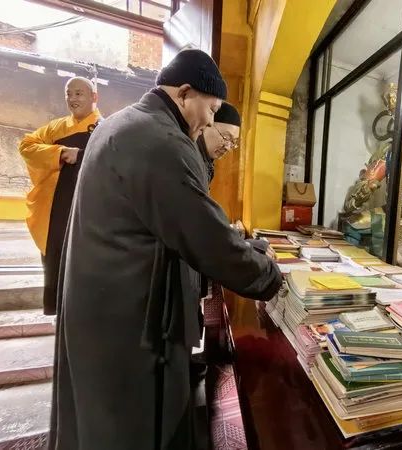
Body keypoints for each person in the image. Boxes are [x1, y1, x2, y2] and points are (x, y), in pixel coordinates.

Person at [49, 49, 282, 450]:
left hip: (103, 299)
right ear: (186, 92)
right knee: (129, 426)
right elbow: (207, 239)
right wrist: (268, 274)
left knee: (98, 417)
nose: (211, 121)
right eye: (211, 110)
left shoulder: (124, 123)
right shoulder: (159, 141)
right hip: (127, 313)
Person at [18, 77, 100, 315]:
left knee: (84, 265)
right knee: (55, 260)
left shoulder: (105, 128)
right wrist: (60, 152)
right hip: (56, 207)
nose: (73, 99)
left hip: (89, 208)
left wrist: (81, 155)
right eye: (69, 94)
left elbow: (113, 161)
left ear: (94, 97)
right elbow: (26, 146)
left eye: (79, 93)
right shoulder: (55, 128)